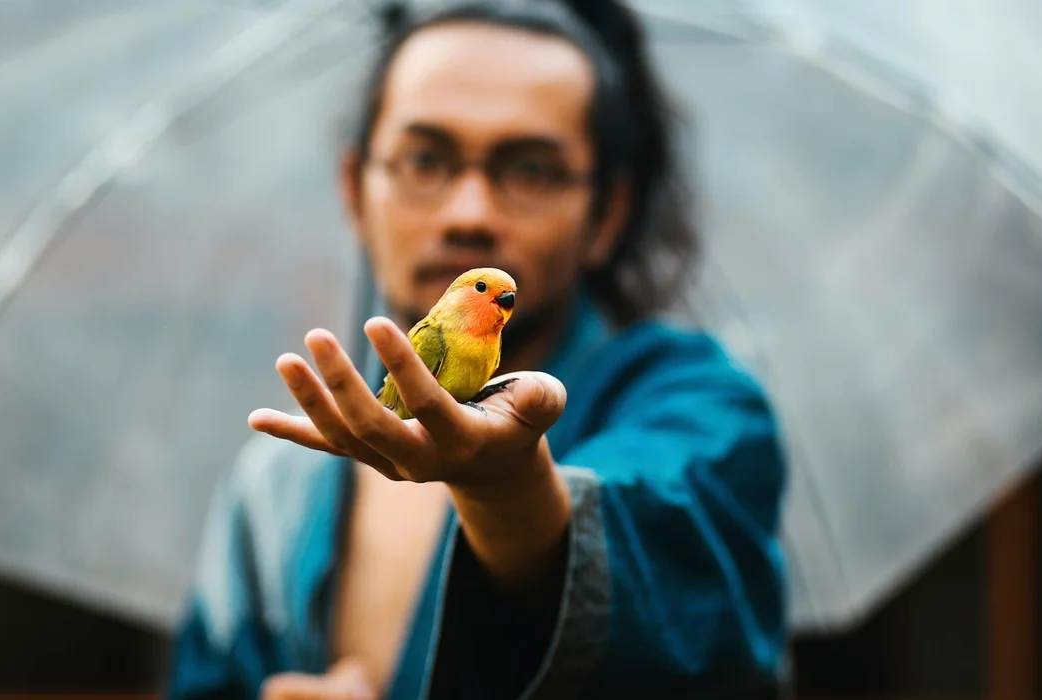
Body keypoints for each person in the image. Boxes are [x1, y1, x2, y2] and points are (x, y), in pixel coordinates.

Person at [166, 0, 789, 698]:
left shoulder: (701, 408)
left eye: (530, 170)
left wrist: (512, 495)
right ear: (355, 191)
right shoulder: (273, 489)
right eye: (425, 159)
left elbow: (678, 572)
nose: (469, 213)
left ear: (606, 215)